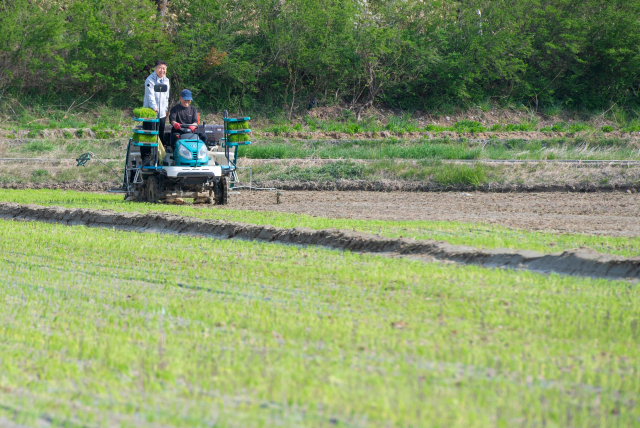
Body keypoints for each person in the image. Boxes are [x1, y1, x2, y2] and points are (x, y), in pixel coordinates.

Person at [143, 60, 170, 147]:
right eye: (160, 68)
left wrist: (166, 109)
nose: (162, 70)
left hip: (162, 113)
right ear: (155, 69)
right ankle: (146, 157)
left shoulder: (166, 80)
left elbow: (166, 96)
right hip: (151, 112)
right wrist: (154, 108)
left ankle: (159, 156)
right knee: (149, 135)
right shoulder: (149, 80)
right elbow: (150, 96)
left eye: (164, 68)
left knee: (160, 134)